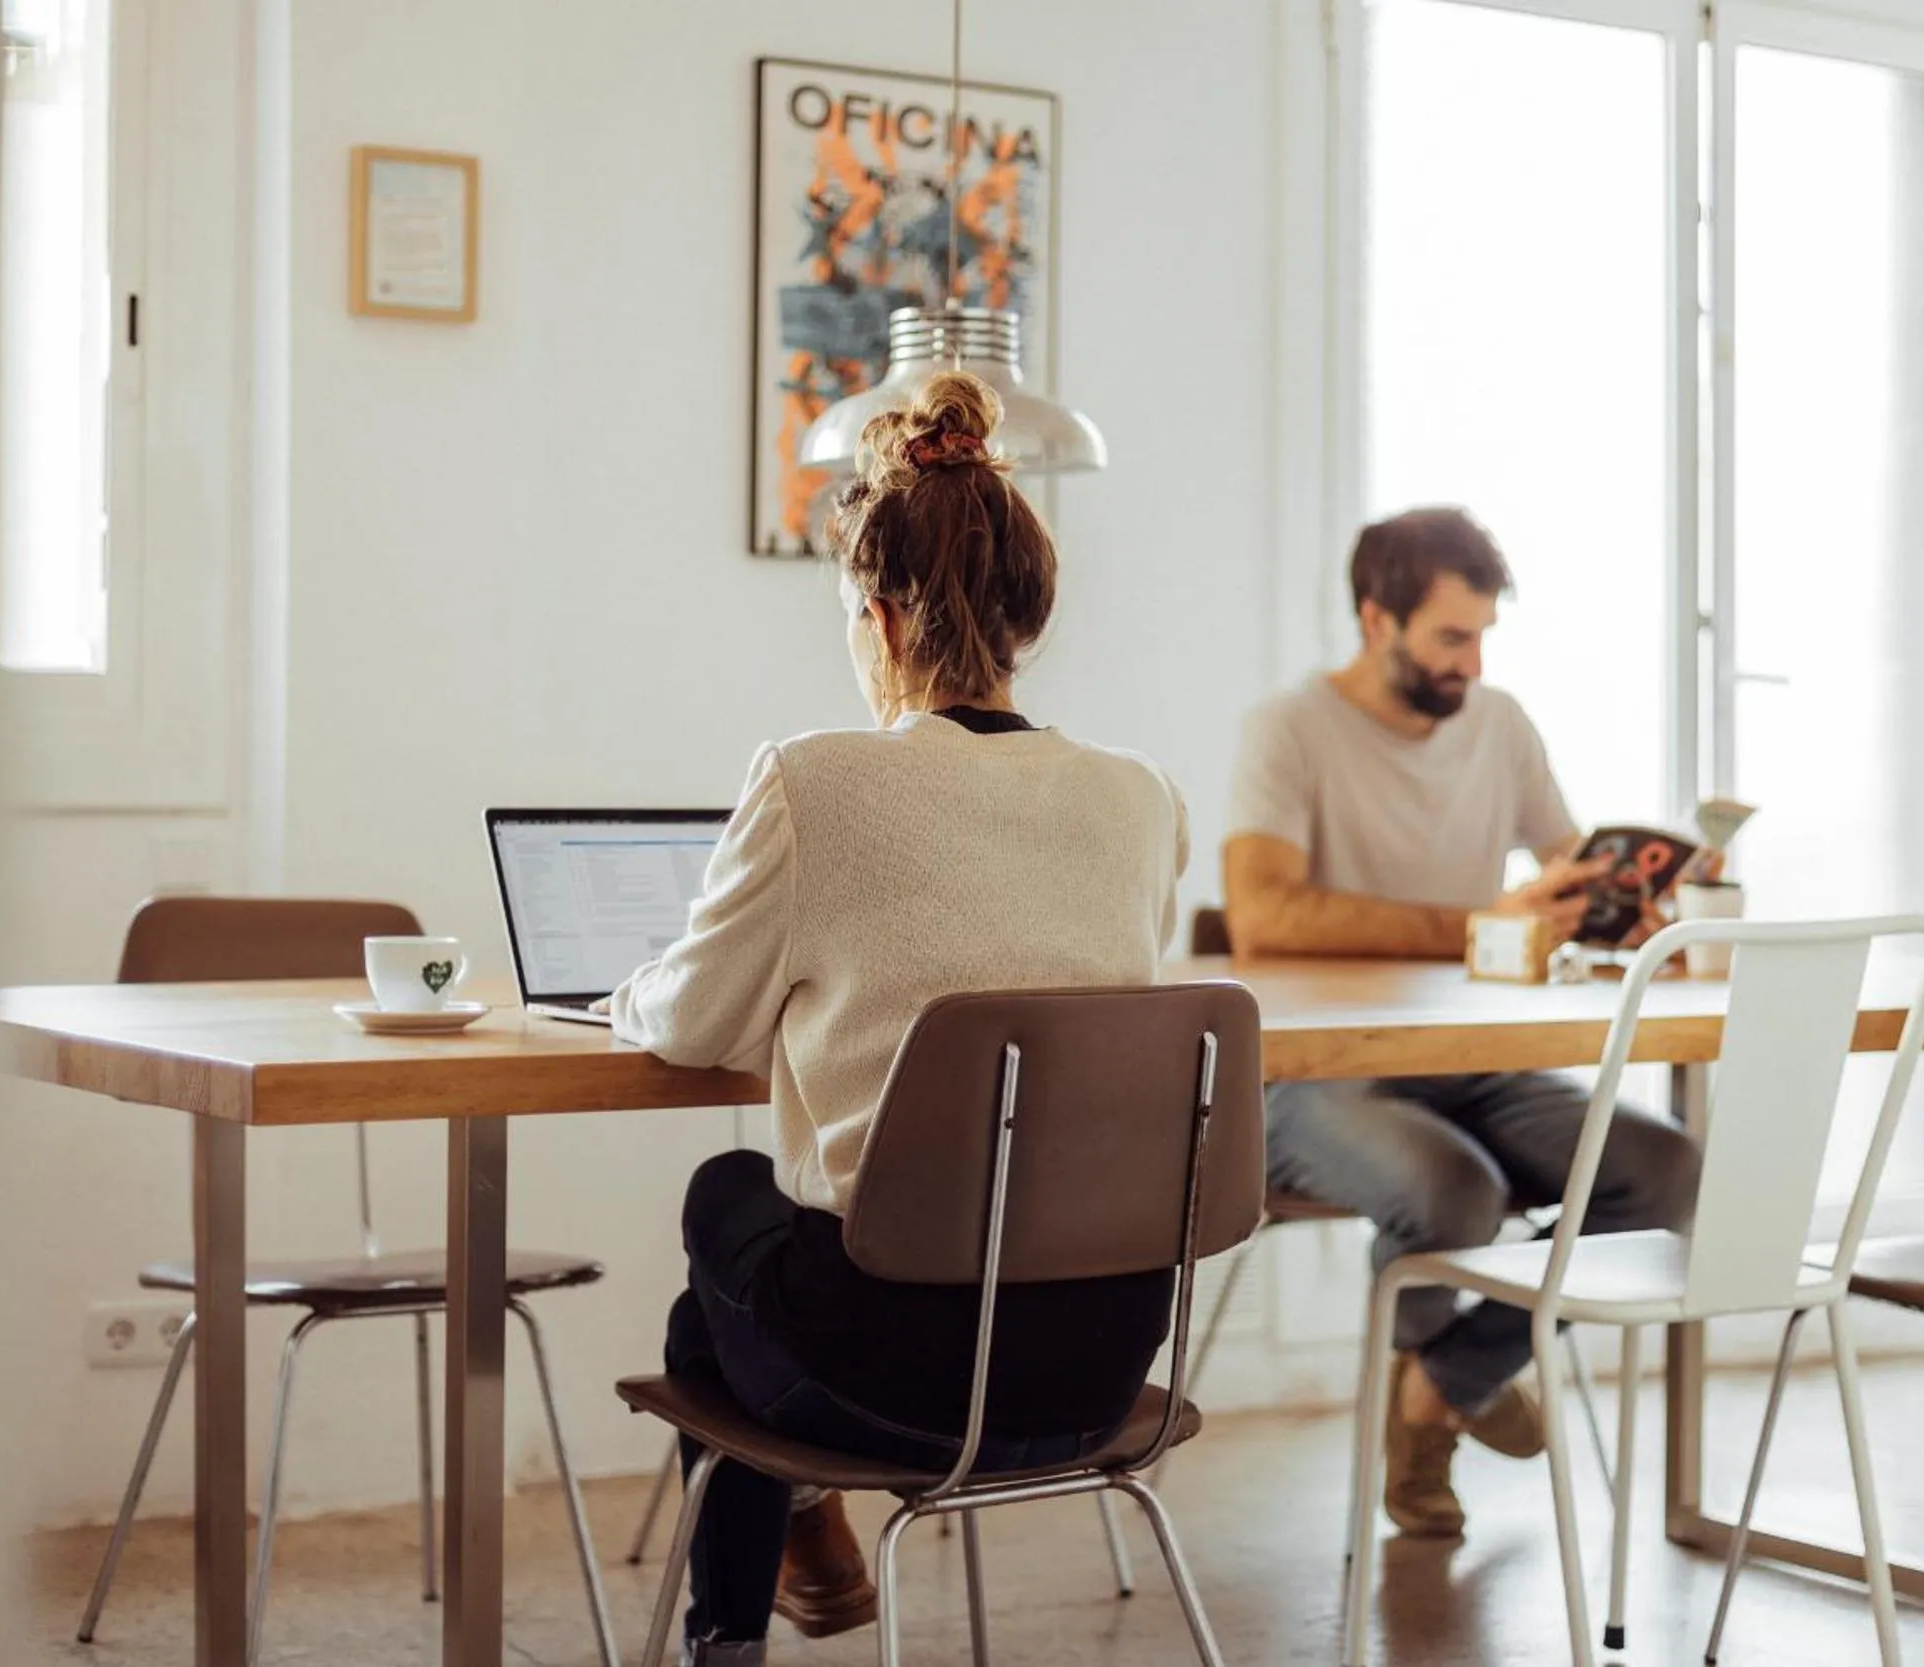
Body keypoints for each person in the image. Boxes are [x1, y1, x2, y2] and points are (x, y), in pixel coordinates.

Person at [604, 372, 1189, 1667]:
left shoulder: (820, 778)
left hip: (902, 1376)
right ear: (1033, 610)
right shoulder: (1144, 799)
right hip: (1100, 1359)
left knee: (725, 1196)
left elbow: (695, 1022)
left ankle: (740, 1620)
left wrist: (619, 992)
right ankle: (766, 1583)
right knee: (716, 1324)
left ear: (873, 613)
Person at [1222, 506, 1702, 1540]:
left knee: (1663, 1171)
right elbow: (1262, 916)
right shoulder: (1289, 730)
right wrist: (1473, 924)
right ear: (1372, 618)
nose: (1471, 662)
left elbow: (1565, 862)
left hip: (1478, 1061)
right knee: (1455, 1191)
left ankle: (1442, 1384)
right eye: (1449, 637)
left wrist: (1623, 909)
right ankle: (1440, 1424)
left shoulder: (1500, 724)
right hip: (1314, 1074)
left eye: (1483, 635)